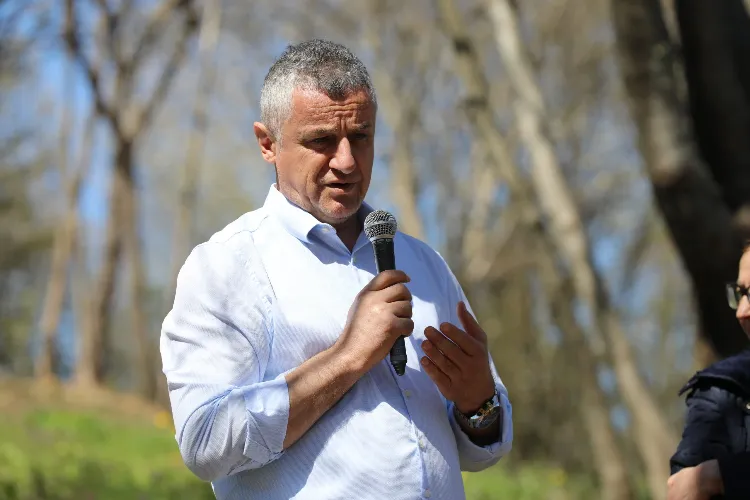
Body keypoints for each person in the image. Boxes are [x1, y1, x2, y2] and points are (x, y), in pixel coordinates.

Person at [159, 39, 513, 500]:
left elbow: (480, 450)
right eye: (321, 140)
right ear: (268, 143)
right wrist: (347, 356)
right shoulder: (226, 267)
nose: (346, 161)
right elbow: (205, 442)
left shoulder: (424, 264)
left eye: (360, 137)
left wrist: (478, 404)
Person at [667, 244, 750, 499]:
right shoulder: (722, 391)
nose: (742, 312)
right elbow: (683, 489)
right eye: (741, 293)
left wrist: (722, 476)